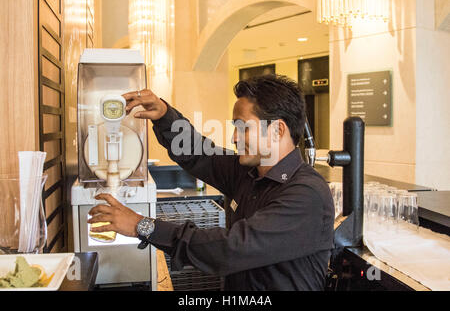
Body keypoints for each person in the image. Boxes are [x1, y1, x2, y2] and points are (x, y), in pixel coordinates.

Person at [88, 74, 335, 291]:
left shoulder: (306, 194)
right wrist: (164, 114)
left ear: (277, 130)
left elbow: (231, 249)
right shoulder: (247, 171)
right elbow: (200, 153)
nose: (234, 137)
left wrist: (144, 226)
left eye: (243, 128)